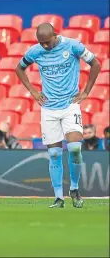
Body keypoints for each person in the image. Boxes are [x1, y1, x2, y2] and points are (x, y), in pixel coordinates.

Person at [15, 23, 101, 208]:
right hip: (49, 108)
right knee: (54, 153)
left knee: (75, 149)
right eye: (41, 43)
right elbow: (19, 68)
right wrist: (33, 91)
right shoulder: (35, 51)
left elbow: (95, 63)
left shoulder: (73, 46)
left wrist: (86, 91)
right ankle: (58, 198)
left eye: (47, 42)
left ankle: (75, 189)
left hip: (70, 105)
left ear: (55, 35)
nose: (45, 46)